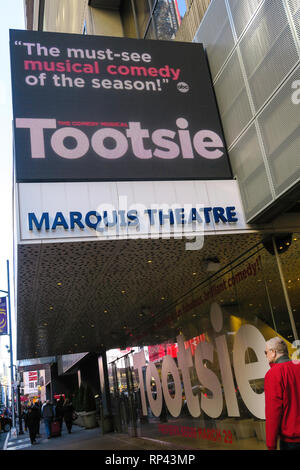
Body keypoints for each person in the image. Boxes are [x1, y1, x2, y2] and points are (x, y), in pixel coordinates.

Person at [264, 336, 300, 450]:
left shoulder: (273, 374)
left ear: (273, 352)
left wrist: (271, 444)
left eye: (266, 352)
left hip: (291, 441)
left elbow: (273, 412)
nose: (265, 355)